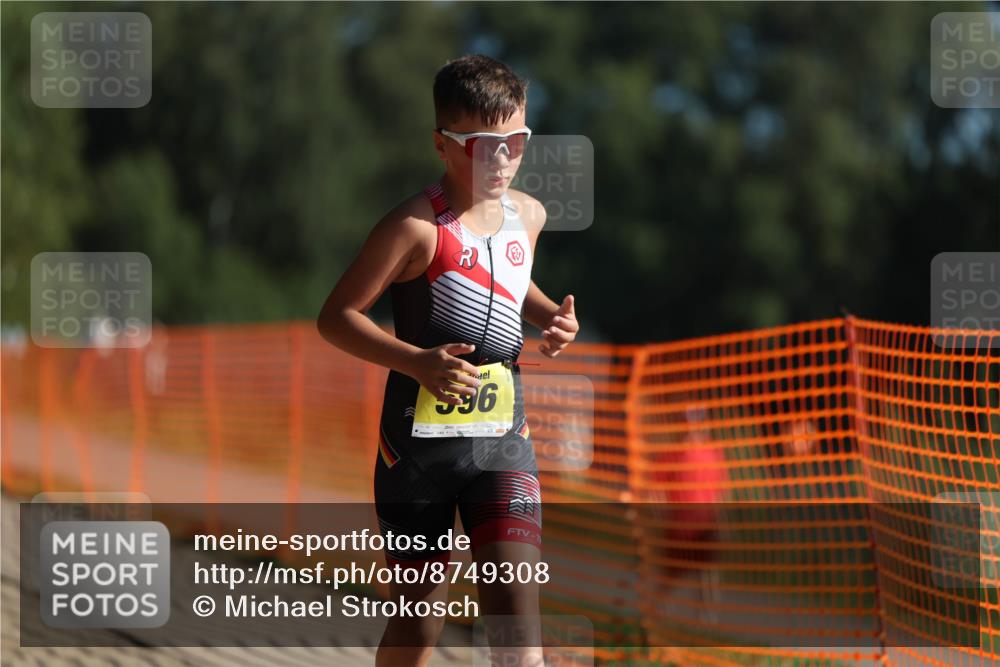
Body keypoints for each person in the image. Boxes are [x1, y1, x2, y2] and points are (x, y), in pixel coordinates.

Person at [317, 54, 579, 667]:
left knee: (517, 624)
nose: (502, 160)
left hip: (503, 442)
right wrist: (416, 363)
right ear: (441, 143)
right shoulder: (413, 227)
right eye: (483, 146)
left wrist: (551, 317)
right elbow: (337, 318)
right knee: (418, 626)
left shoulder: (529, 216)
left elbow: (508, 281)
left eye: (516, 142)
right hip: (417, 452)